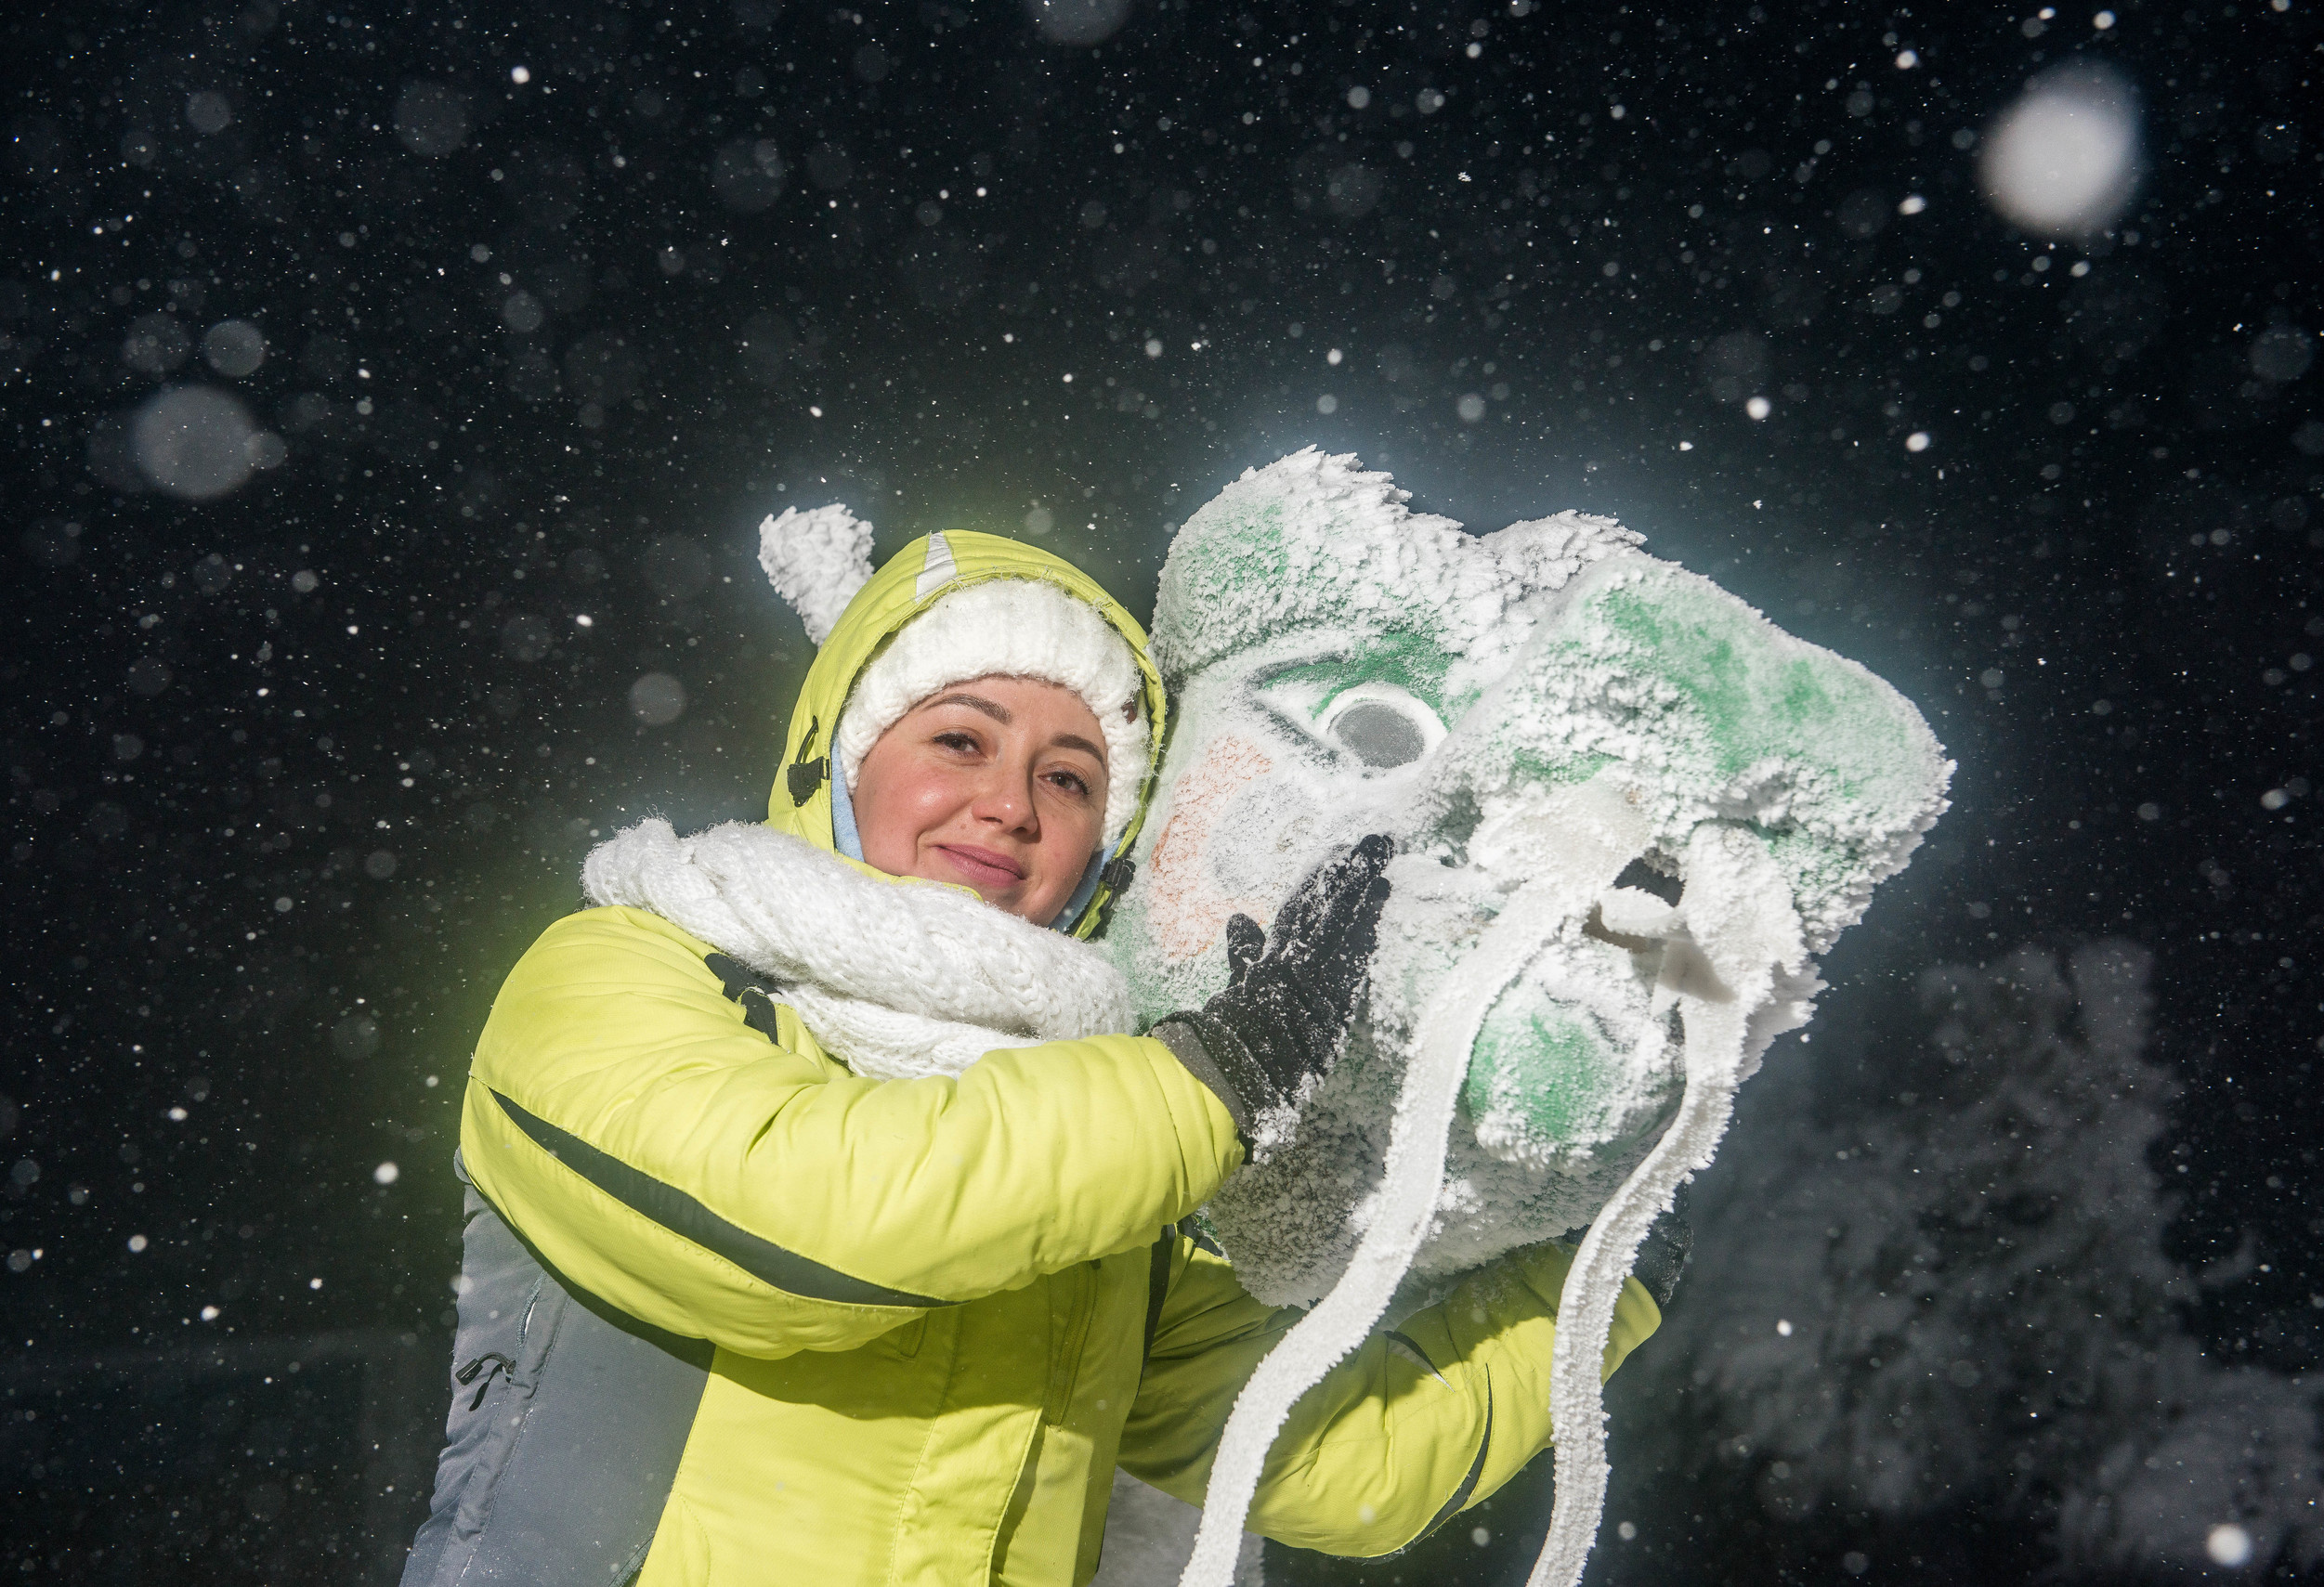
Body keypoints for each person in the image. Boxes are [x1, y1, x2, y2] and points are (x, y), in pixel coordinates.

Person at [398, 528, 1666, 1587]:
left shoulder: (1108, 1159)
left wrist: (1615, 1255)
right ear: (838, 758)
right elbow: (803, 1225)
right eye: (960, 738)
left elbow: (1341, 1455)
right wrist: (1216, 1075)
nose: (1011, 804)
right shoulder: (632, 968)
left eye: (1070, 778)